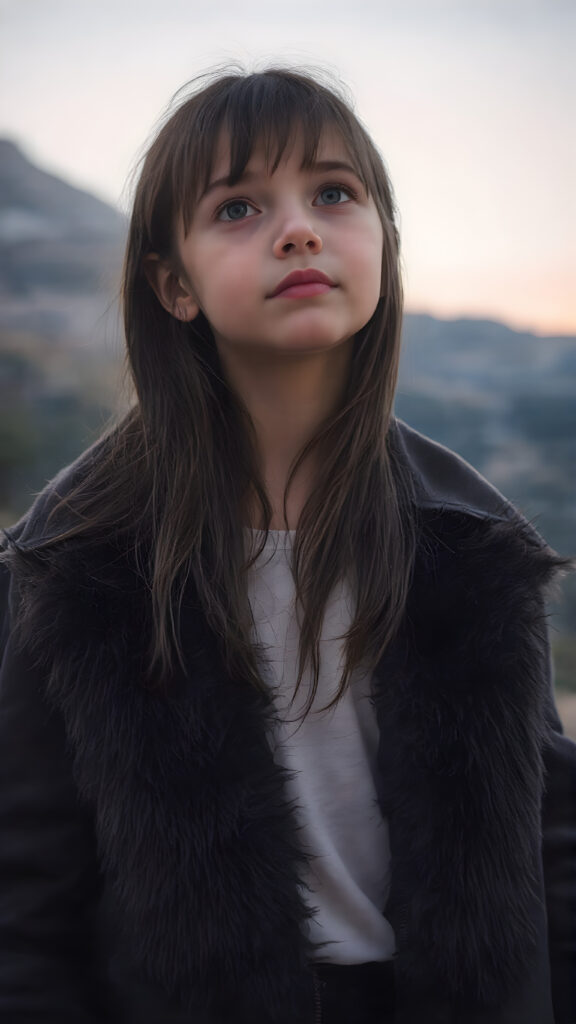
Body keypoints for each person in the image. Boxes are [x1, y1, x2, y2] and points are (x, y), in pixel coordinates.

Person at [0, 67, 574, 1024]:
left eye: (335, 194)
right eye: (238, 207)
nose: (299, 228)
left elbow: (551, 852)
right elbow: (21, 905)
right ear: (173, 284)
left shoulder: (476, 547)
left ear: (383, 241)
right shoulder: (74, 567)